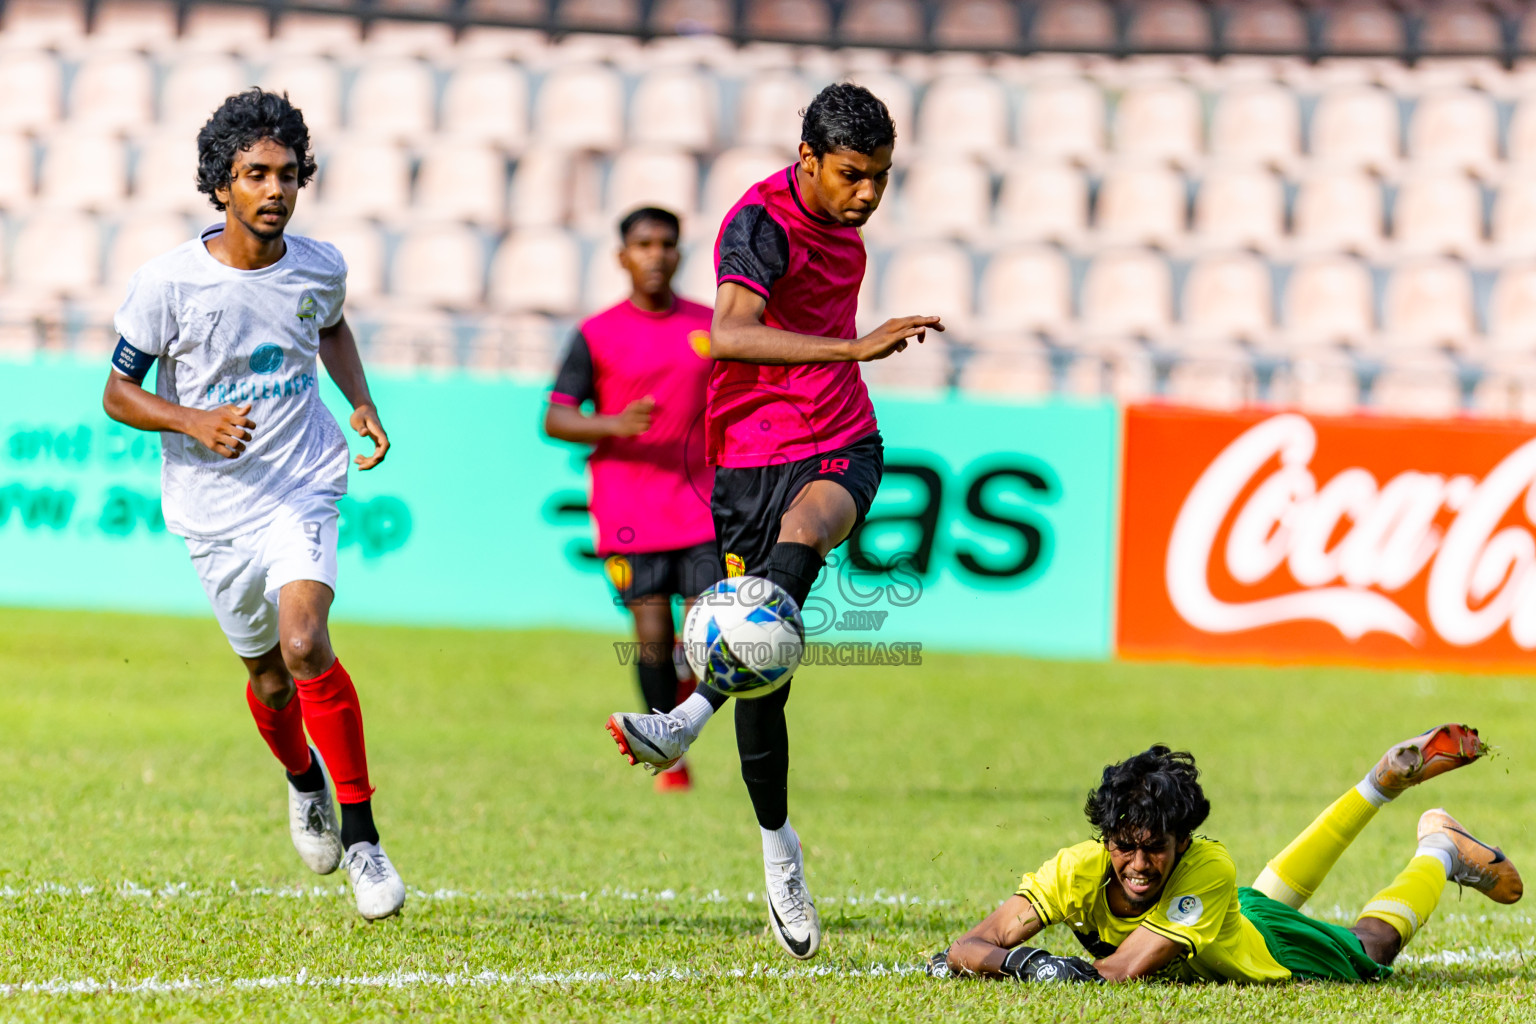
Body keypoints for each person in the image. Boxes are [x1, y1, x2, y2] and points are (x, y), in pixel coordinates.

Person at [605, 82, 944, 960]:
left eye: (880, 178)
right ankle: (778, 847)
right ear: (808, 162)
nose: (867, 194)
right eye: (852, 176)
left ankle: (683, 719)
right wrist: (855, 346)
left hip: (840, 439)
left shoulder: (845, 218)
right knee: (767, 679)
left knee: (811, 529)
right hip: (749, 456)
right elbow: (728, 333)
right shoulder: (758, 224)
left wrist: (849, 369)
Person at [101, 89, 405, 920]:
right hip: (212, 507)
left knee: (307, 643)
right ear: (220, 184)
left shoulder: (320, 264)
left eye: (288, 174)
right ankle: (301, 778)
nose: (275, 189)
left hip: (301, 480)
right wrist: (193, 419)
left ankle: (366, 838)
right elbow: (118, 393)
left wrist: (361, 403)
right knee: (271, 682)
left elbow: (331, 327)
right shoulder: (168, 283)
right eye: (254, 174)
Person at [933, 724, 1521, 984]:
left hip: (1265, 949)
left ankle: (1439, 850)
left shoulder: (1205, 866)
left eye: (1155, 850)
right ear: (1105, 840)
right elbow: (968, 946)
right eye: (1124, 848)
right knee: (1255, 899)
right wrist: (1021, 963)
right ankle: (1377, 785)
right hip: (1227, 919)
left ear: (1181, 842)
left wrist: (1006, 964)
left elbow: (1120, 971)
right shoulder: (1076, 868)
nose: (1138, 866)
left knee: (1373, 949)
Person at [545, 206, 719, 792]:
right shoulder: (597, 333)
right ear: (622, 256)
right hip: (629, 512)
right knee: (650, 636)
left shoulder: (711, 325)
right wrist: (615, 425)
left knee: (702, 640)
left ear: (680, 253)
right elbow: (556, 417)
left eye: (666, 243)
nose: (656, 254)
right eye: (643, 244)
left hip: (702, 505)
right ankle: (671, 749)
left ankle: (676, 724)